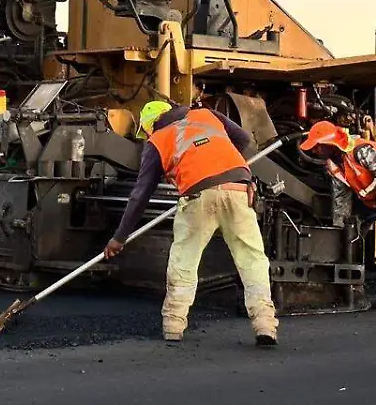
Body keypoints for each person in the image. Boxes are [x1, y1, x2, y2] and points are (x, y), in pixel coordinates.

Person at [104, 100, 279, 347]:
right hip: (239, 189)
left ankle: (173, 326)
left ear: (150, 126)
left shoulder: (157, 140)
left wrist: (119, 237)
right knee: (252, 260)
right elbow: (242, 139)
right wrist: (230, 168)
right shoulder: (207, 115)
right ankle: (265, 325)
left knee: (184, 259)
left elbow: (140, 194)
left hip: (197, 196)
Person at [299, 120, 376, 310]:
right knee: (354, 237)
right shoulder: (334, 165)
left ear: (330, 144)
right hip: (372, 200)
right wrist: (341, 229)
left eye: (318, 147)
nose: (315, 151)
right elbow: (341, 199)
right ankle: (356, 290)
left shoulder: (361, 151)